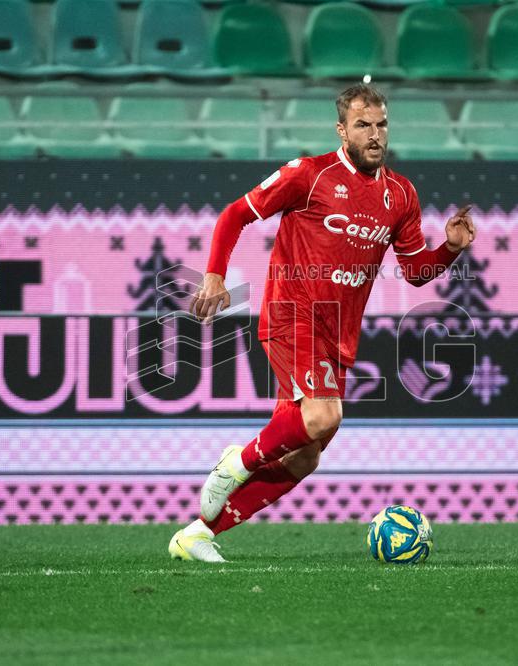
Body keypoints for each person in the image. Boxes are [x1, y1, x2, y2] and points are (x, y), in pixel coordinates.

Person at [168, 84, 476, 562]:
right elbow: (235, 215)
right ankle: (237, 463)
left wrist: (451, 248)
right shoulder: (308, 175)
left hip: (338, 335)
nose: (375, 135)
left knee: (306, 453)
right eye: (363, 125)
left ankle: (197, 534)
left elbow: (416, 272)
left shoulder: (401, 195)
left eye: (381, 125)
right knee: (323, 415)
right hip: (293, 315)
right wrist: (214, 276)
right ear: (342, 129)